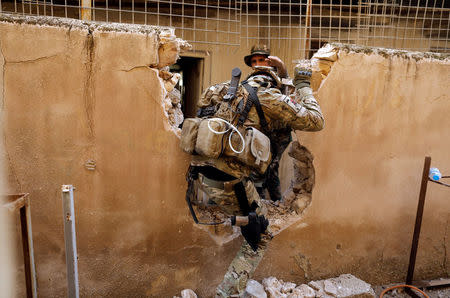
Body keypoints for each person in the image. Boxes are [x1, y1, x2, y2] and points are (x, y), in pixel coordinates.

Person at [181, 46, 324, 296]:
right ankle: (227, 292)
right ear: (274, 82)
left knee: (252, 208)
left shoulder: (217, 89)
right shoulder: (269, 97)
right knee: (261, 231)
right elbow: (315, 120)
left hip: (199, 173)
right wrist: (302, 86)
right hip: (229, 180)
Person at [244, 46, 293, 202]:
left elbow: (286, 93)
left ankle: (268, 203)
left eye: (262, 60)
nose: (258, 64)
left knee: (269, 167)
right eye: (254, 61)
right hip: (261, 133)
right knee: (265, 168)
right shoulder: (251, 80)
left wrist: (282, 67)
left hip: (279, 134)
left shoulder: (276, 77)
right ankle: (271, 202)